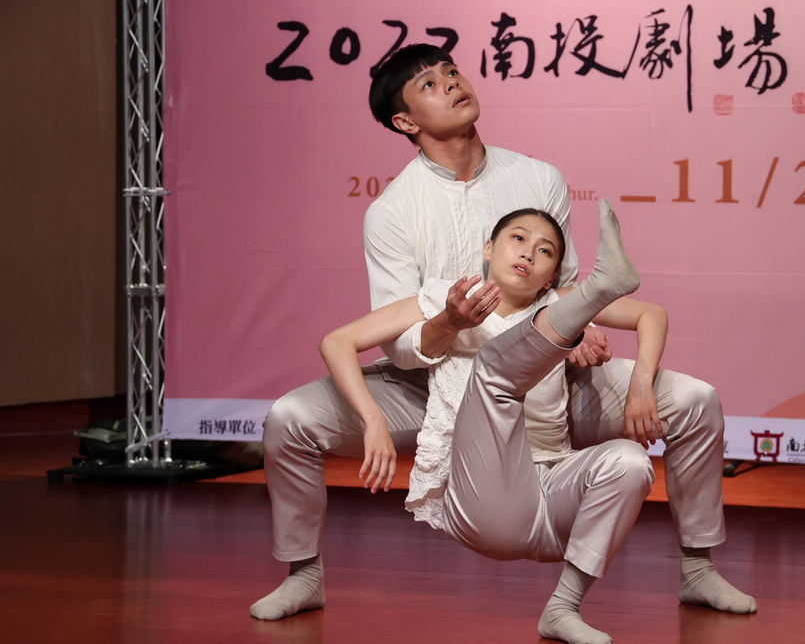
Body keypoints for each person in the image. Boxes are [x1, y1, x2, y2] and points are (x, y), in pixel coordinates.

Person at [251, 44, 753, 621]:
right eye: (429, 84)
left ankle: (698, 568)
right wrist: (447, 324)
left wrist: (583, 329)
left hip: (546, 376)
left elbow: (564, 287)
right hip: (431, 386)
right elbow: (400, 346)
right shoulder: (392, 211)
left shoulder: (537, 177)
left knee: (694, 400)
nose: (451, 83)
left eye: (451, 72)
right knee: (291, 418)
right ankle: (304, 574)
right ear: (406, 123)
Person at [322, 203, 658, 644]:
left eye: (545, 250)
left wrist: (640, 385)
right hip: (483, 502)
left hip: (552, 503)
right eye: (518, 238)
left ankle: (563, 608)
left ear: (551, 277)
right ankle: (601, 287)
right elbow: (338, 341)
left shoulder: (557, 307)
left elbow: (653, 314)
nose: (529, 253)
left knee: (630, 461)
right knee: (492, 374)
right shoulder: (447, 297)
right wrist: (373, 421)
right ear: (488, 248)